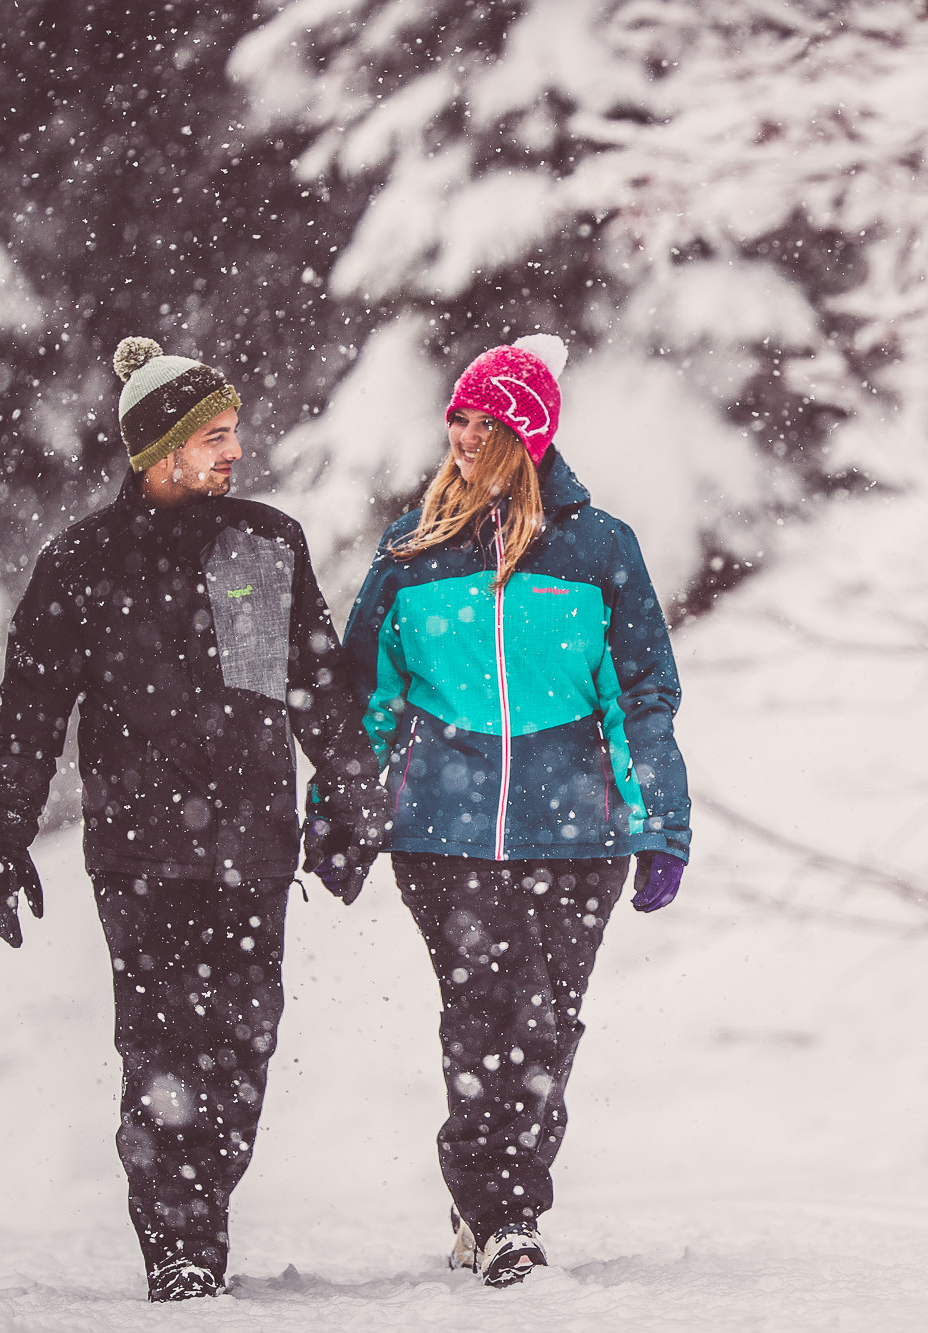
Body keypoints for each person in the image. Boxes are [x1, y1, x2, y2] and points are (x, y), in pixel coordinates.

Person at [0, 337, 389, 1303]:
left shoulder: (265, 543)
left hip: (251, 850)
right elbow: (32, 713)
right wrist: (2, 836)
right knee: (160, 1052)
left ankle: (207, 1213)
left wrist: (352, 805)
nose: (234, 451)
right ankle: (178, 1246)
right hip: (140, 857)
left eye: (234, 433)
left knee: (244, 1048)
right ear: (160, 450)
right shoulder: (78, 564)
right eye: (216, 437)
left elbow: (319, 689)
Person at [339, 334, 690, 1287]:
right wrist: (342, 813)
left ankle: (486, 1188)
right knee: (483, 1009)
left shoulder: (598, 548)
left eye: (483, 423)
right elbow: (367, 697)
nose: (462, 438)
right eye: (456, 418)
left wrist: (659, 820)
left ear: (527, 436)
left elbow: (641, 695)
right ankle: (505, 1213)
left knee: (547, 1023)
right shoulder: (413, 550)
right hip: (443, 836)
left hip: (576, 836)